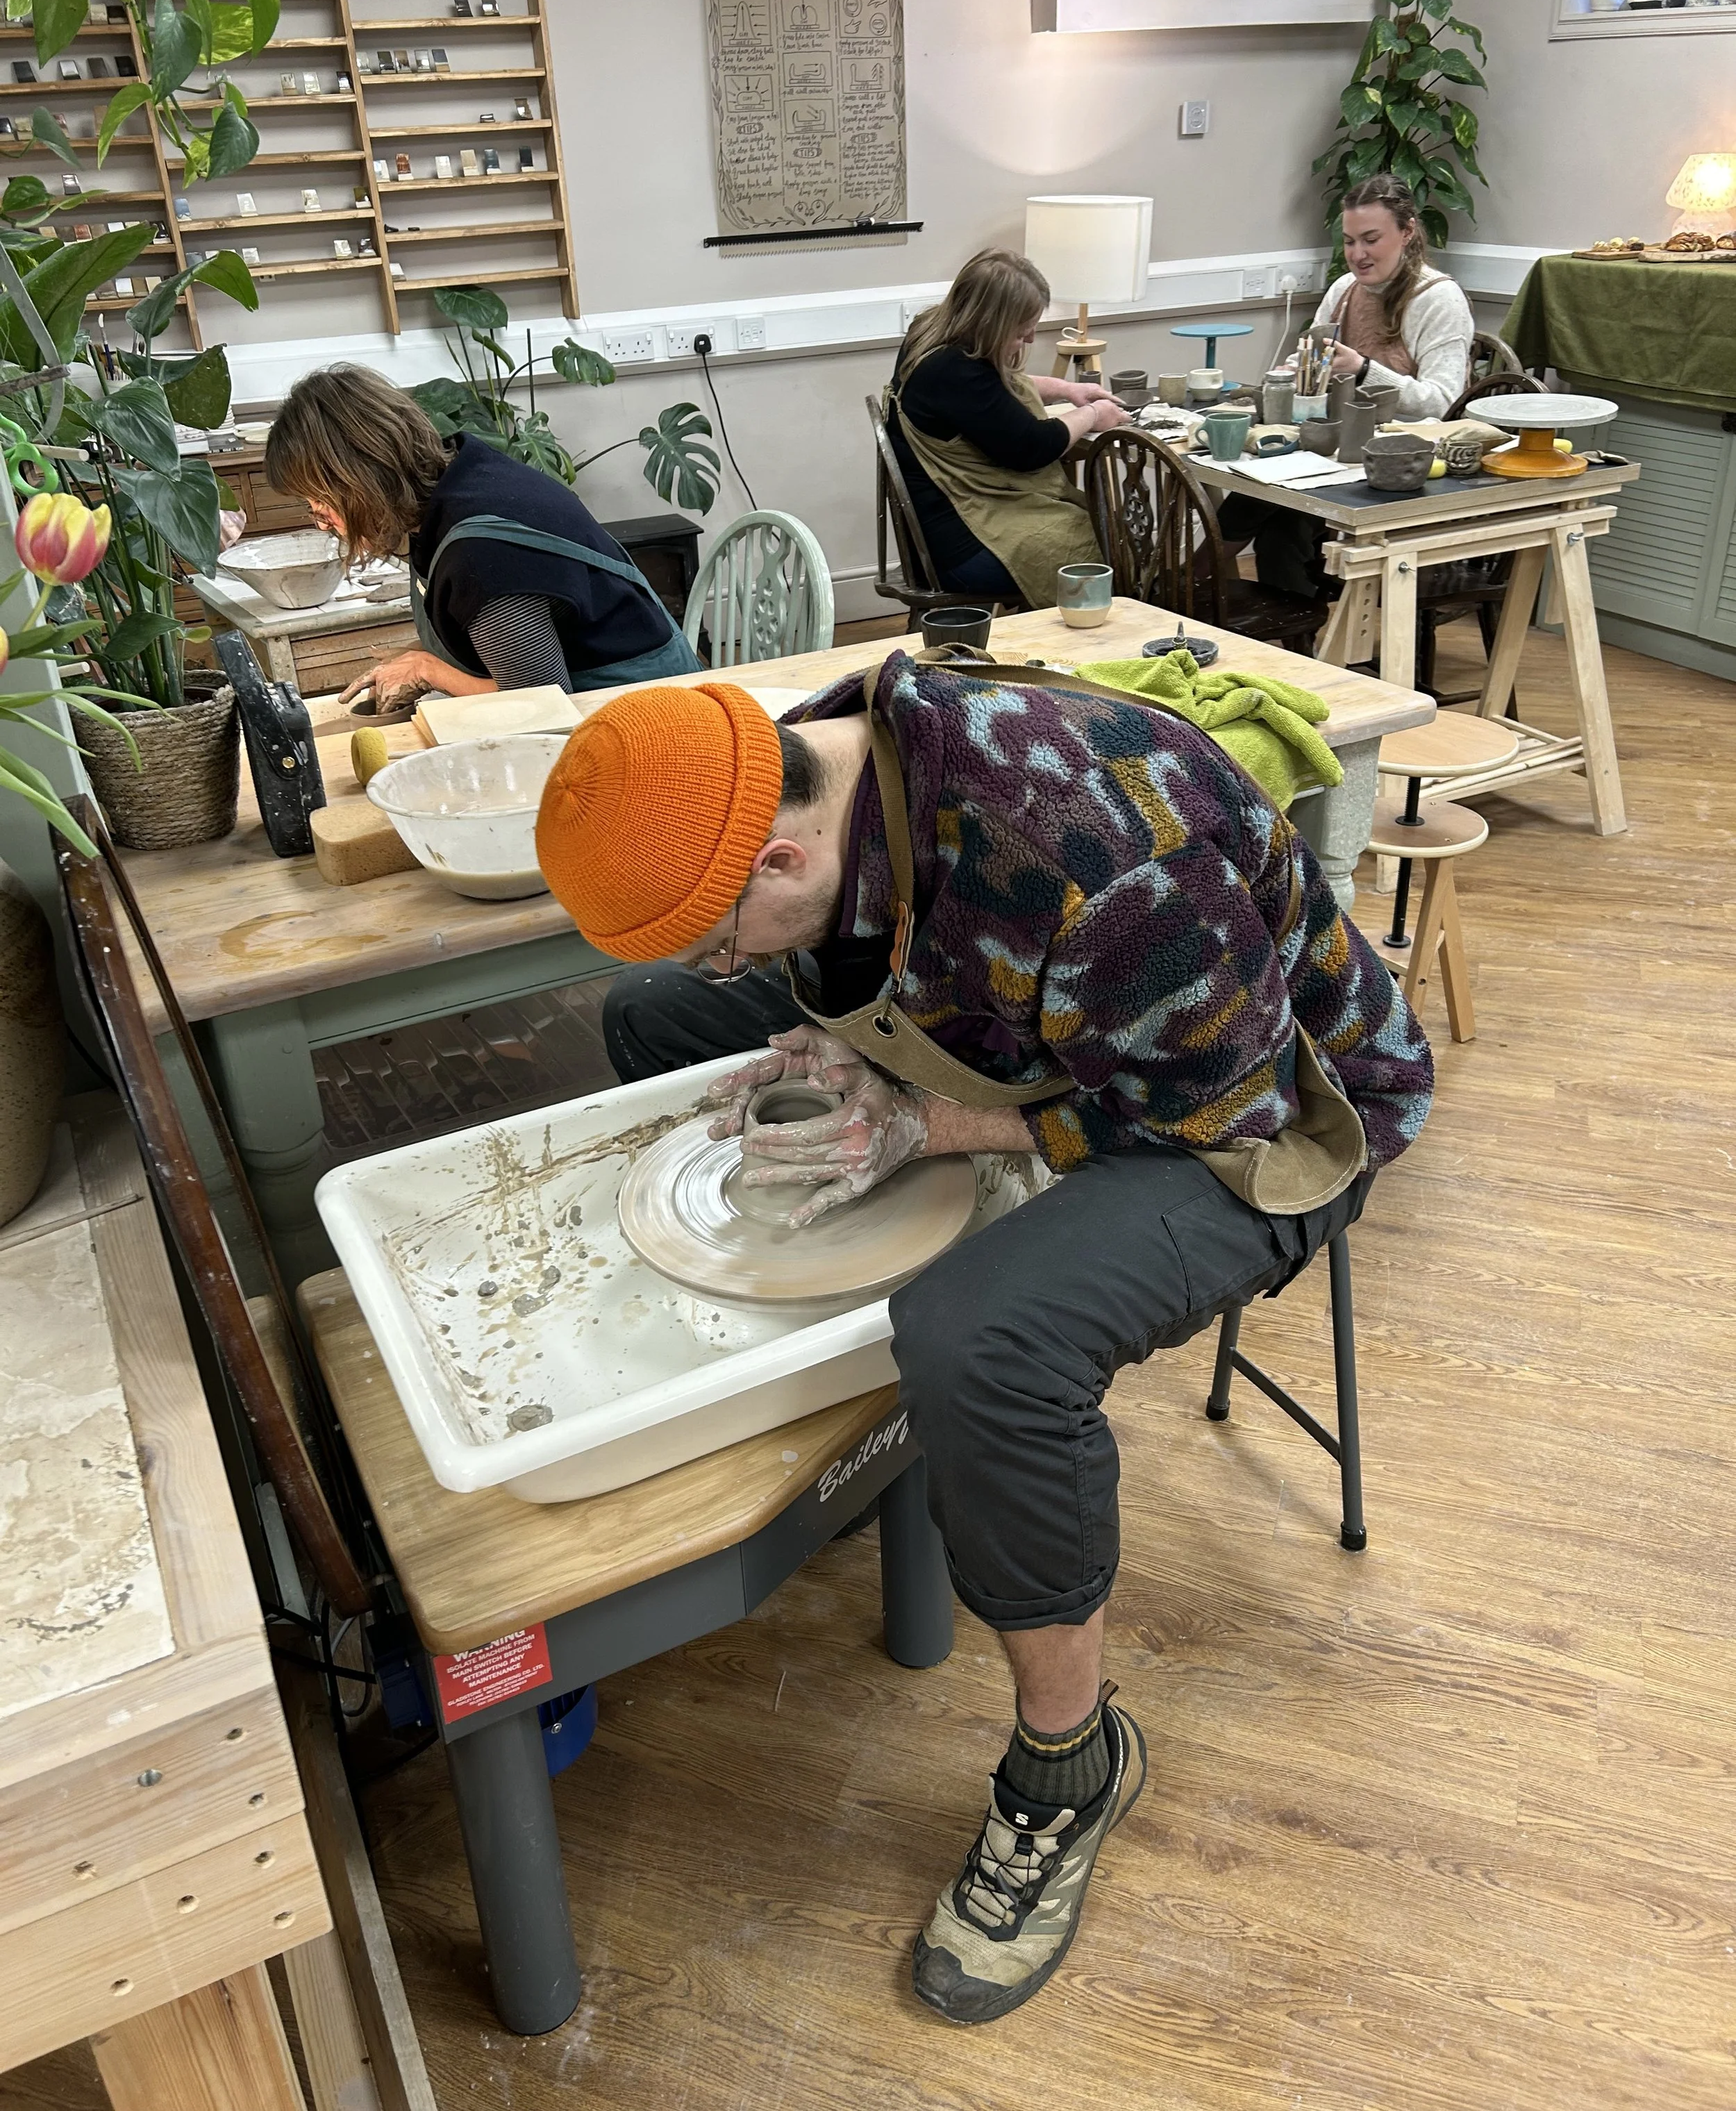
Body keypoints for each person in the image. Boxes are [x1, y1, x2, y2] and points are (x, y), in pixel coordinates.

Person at [535, 657, 1434, 2026]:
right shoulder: (832, 752)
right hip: (1068, 1017)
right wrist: (832, 1037)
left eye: (726, 932)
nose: (728, 960)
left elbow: (1227, 1113)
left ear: (779, 848)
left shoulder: (1104, 861)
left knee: (976, 1339)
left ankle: (1069, 1763)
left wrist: (927, 1121)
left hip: (1275, 1108)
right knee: (650, 1023)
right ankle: (887, 1446)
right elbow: (887, 942)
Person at [261, 365, 699, 711]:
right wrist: (413, 657)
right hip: (623, 699)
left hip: (652, 713)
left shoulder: (480, 552)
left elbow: (543, 703)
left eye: (321, 499)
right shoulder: (459, 476)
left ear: (363, 478)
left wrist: (428, 669)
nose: (321, 520)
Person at [1219, 172, 1476, 597]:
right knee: (1267, 496)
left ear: (1408, 231)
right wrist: (1294, 373)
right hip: (1337, 456)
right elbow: (1311, 363)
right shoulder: (1344, 289)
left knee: (1277, 515)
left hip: (1400, 469)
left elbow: (1442, 404)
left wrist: (1362, 369)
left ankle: (1185, 584)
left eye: (1371, 240)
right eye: (1350, 241)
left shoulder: (1438, 300)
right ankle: (1258, 621)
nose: (1358, 254)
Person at [886, 248, 1130, 606]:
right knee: (1111, 541)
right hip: (961, 550)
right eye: (1021, 331)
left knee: (1096, 526)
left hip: (939, 529)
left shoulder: (932, 333)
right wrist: (1095, 415)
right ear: (989, 323)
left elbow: (994, 391)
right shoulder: (953, 370)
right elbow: (1032, 447)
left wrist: (1065, 389)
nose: (1030, 339)